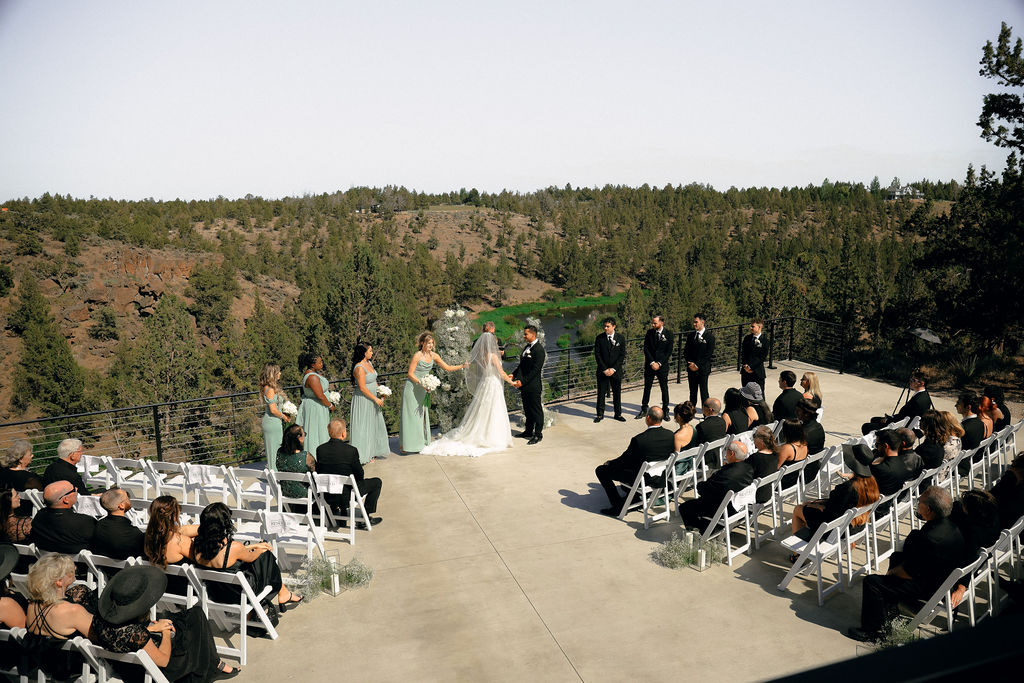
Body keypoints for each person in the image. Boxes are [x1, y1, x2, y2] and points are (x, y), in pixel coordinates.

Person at [848, 486, 966, 642]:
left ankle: (873, 631)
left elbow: (910, 571)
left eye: (921, 501)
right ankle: (888, 607)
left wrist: (892, 573)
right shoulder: (952, 527)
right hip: (942, 577)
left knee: (872, 582)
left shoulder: (930, 538)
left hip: (928, 587)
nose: (918, 502)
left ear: (929, 510)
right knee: (897, 557)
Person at [81, 565, 239, 681]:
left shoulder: (100, 620)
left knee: (181, 618)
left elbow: (124, 636)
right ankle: (213, 664)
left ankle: (214, 662)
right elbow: (163, 661)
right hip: (154, 671)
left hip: (127, 667)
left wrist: (150, 628)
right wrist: (164, 633)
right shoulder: (135, 633)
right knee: (195, 617)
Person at [193, 502, 302, 612]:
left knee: (255, 557)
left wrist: (254, 545)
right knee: (266, 556)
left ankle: (284, 592)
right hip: (240, 595)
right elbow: (251, 557)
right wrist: (260, 547)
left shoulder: (197, 546)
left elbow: (234, 553)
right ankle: (283, 593)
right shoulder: (233, 548)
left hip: (216, 594)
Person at [422, 330, 515, 457]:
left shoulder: (483, 355)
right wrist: (512, 382)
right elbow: (501, 373)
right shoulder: (493, 356)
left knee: (485, 409)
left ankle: (484, 432)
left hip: (486, 383)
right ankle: (492, 436)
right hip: (493, 384)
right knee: (494, 408)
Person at [23, 554, 94, 681]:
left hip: (45, 664)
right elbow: (99, 638)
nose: (75, 570)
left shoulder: (31, 606)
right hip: (76, 668)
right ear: (59, 581)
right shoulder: (72, 611)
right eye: (70, 571)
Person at [595, 407, 675, 515]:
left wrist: (610, 463)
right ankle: (634, 497)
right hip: (661, 476)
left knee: (601, 470)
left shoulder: (640, 440)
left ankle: (618, 506)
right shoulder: (670, 435)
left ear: (648, 418)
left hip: (643, 479)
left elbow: (624, 460)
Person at [791, 443, 879, 540]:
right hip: (857, 526)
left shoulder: (847, 488)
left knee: (798, 509)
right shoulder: (872, 484)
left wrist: (817, 506)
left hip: (837, 530)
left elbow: (831, 513)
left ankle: (797, 554)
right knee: (811, 506)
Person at [400, 332, 466, 453]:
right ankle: (405, 445)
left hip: (424, 389)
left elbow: (447, 367)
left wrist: (462, 365)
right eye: (428, 343)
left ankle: (418, 443)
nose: (430, 345)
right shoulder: (417, 355)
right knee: (410, 416)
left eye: (432, 343)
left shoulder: (434, 356)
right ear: (422, 343)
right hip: (412, 388)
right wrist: (422, 383)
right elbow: (410, 374)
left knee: (420, 416)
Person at [316, 418, 383, 527]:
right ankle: (364, 517)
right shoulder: (351, 450)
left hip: (328, 494)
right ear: (343, 434)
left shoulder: (320, 449)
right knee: (376, 482)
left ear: (329, 432)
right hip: (346, 495)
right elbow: (360, 474)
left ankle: (338, 511)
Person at [679, 438, 755, 532]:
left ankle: (700, 532)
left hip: (725, 509)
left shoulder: (726, 475)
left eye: (726, 450)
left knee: (685, 507)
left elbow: (705, 490)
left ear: (731, 454)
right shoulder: (748, 468)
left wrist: (699, 485)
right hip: (741, 506)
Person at [350, 342, 391, 463]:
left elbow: (373, 380)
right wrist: (375, 399)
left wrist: (381, 391)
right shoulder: (359, 368)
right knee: (363, 426)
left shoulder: (369, 363)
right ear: (364, 353)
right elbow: (362, 388)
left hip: (373, 398)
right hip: (364, 400)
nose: (372, 353)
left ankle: (372, 451)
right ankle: (363, 454)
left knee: (373, 424)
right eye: (370, 351)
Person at [29, 481, 96, 553]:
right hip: (78, 562)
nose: (76, 488)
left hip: (48, 560)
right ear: (66, 500)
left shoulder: (39, 517)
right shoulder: (84, 522)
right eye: (73, 489)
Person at [861, 371, 932, 435]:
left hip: (901, 428)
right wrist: (890, 417)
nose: (910, 382)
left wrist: (888, 420)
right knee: (874, 419)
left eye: (913, 380)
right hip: (909, 425)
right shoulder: (925, 396)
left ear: (922, 383)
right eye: (911, 379)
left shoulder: (917, 401)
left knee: (866, 426)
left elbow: (902, 417)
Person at [295, 353, 333, 460]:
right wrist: (330, 405)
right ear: (312, 365)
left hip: (319, 407)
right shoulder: (312, 377)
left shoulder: (313, 374)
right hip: (316, 407)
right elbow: (320, 395)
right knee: (316, 432)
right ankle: (315, 458)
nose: (321, 364)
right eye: (319, 362)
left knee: (320, 430)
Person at [511, 325, 546, 445]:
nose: (524, 336)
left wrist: (522, 381)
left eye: (526, 334)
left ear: (533, 334)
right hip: (525, 386)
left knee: (536, 411)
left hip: (533, 386)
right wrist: (513, 375)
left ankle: (538, 434)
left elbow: (535, 370)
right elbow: (522, 365)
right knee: (527, 410)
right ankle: (528, 431)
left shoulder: (539, 350)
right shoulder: (527, 347)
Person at [91, 488, 144, 560]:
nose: (129, 499)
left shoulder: (97, 526)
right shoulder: (132, 533)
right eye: (127, 497)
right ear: (121, 505)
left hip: (102, 568)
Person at [639, 315, 673, 418]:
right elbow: (646, 348)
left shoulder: (669, 334)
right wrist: (652, 362)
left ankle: (665, 410)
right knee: (647, 388)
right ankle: (644, 409)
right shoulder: (649, 333)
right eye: (652, 323)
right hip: (650, 366)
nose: (653, 325)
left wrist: (659, 363)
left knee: (664, 388)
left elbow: (668, 351)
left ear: (661, 323)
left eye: (655, 323)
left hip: (662, 366)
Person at [594, 318, 626, 423]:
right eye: (604, 326)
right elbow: (597, 355)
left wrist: (613, 369)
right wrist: (604, 369)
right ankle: (599, 414)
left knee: (617, 393)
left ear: (614, 326)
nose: (605, 328)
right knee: (601, 393)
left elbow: (622, 355)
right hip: (602, 371)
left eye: (608, 326)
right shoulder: (599, 338)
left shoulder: (620, 338)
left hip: (615, 371)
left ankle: (618, 414)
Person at [259, 363, 288, 470]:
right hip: (272, 422)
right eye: (278, 371)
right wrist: (284, 416)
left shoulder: (269, 387)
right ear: (272, 373)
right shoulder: (270, 389)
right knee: (274, 451)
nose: (280, 373)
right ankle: (275, 476)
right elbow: (273, 410)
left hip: (274, 422)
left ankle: (277, 474)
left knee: (277, 450)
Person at [683, 314, 714, 408]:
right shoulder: (691, 336)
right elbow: (686, 351)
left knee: (704, 392)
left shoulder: (709, 337)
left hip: (703, 369)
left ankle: (706, 415)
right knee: (692, 392)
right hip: (691, 369)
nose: (694, 324)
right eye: (694, 322)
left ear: (702, 322)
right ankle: (691, 412)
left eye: (696, 322)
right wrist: (690, 364)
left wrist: (697, 365)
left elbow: (708, 354)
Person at [276, 424, 314, 499]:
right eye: (304, 434)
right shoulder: (306, 456)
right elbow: (316, 473)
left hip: (285, 493)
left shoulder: (279, 453)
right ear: (299, 438)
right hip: (304, 495)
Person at [748, 426, 779, 504]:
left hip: (755, 495)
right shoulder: (775, 454)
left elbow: (744, 474)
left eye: (754, 436)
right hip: (767, 493)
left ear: (761, 440)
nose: (753, 439)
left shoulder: (756, 457)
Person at [693, 398, 728, 468]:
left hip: (705, 459)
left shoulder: (702, 426)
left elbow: (696, 444)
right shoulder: (722, 422)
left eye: (704, 405)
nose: (702, 407)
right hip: (718, 456)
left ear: (710, 410)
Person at [775, 419, 809, 489]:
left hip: (781, 483)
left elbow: (776, 468)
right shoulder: (804, 444)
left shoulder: (787, 448)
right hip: (793, 480)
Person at [740, 318, 768, 393]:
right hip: (745, 372)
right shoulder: (747, 338)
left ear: (759, 327)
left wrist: (751, 367)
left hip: (757, 372)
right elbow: (743, 353)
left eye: (753, 326)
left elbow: (762, 357)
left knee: (759, 395)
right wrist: (745, 366)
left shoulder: (765, 340)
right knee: (745, 393)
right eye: (751, 326)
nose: (751, 328)